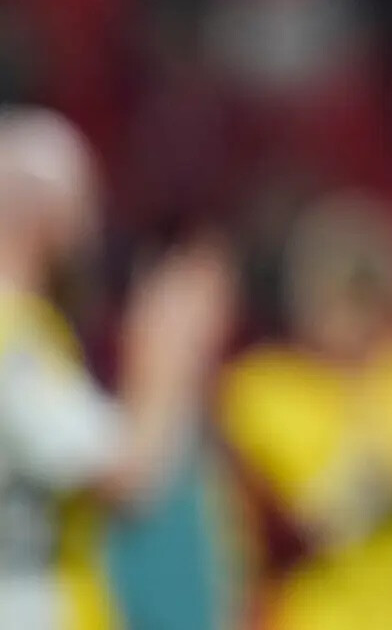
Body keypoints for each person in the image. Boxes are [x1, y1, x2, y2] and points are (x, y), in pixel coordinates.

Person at [0, 107, 233, 630]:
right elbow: (128, 476)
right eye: (86, 203)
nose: (95, 228)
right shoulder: (11, 337)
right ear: (47, 215)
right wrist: (166, 349)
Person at [218, 193, 392, 630]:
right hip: (315, 616)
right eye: (334, 300)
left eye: (363, 302)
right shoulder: (263, 389)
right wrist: (383, 473)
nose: (347, 323)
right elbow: (289, 531)